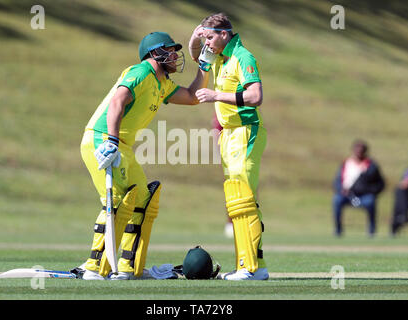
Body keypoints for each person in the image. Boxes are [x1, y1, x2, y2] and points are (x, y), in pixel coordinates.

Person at [80, 31, 210, 280]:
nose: (175, 55)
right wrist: (112, 140)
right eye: (170, 50)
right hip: (102, 138)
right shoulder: (141, 72)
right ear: (155, 53)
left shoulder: (162, 83)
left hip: (122, 146)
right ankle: (94, 266)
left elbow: (193, 97)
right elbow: (118, 101)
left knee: (142, 199)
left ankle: (128, 266)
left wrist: (204, 65)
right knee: (118, 199)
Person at [188, 13, 268, 280]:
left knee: (244, 200)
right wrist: (195, 37)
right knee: (236, 202)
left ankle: (253, 268)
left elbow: (256, 96)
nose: (207, 44)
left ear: (224, 34)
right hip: (229, 136)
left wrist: (216, 96)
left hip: (246, 132)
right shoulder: (219, 57)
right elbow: (195, 57)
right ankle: (246, 265)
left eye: (210, 37)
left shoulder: (243, 56)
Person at [332, 140, 385, 237]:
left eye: (361, 151)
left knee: (370, 202)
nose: (359, 153)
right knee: (337, 200)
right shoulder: (346, 164)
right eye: (357, 151)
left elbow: (380, 184)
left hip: (364, 196)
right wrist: (341, 189)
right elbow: (337, 181)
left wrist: (371, 191)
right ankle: (338, 230)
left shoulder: (371, 166)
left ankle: (371, 231)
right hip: (347, 195)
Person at [390, 150, 408, 235]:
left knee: (400, 193)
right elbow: (404, 182)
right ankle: (402, 216)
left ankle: (403, 216)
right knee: (399, 191)